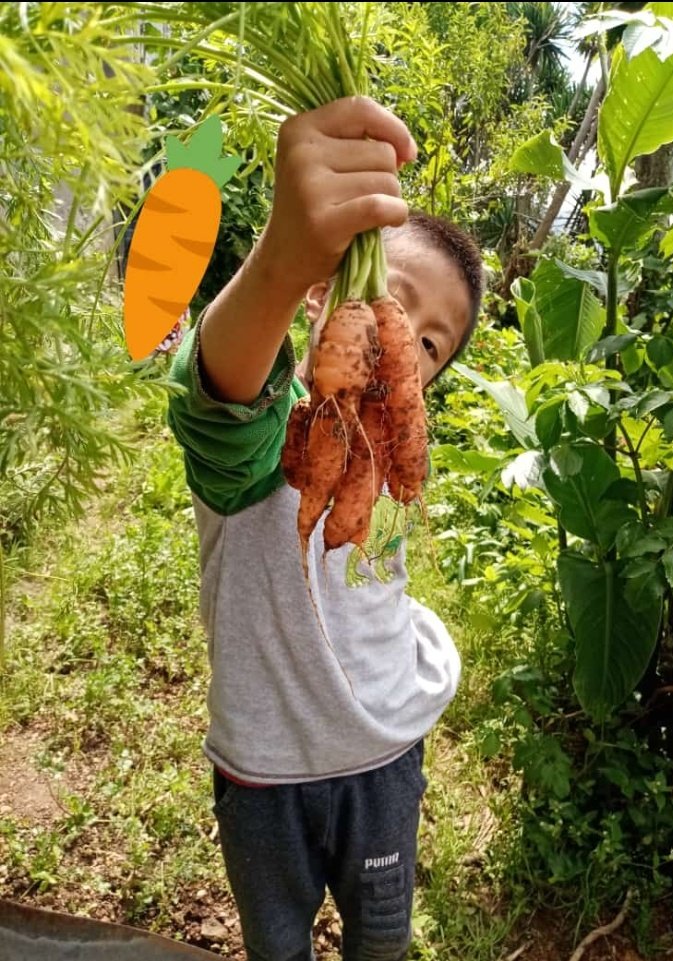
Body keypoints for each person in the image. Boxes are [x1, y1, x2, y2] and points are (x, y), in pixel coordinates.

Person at [167, 96, 484, 961]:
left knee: (381, 941)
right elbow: (222, 398)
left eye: (431, 343)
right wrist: (279, 259)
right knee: (278, 947)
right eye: (396, 305)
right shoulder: (262, 435)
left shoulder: (391, 447)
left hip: (384, 756)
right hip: (265, 771)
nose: (404, 342)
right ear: (323, 294)